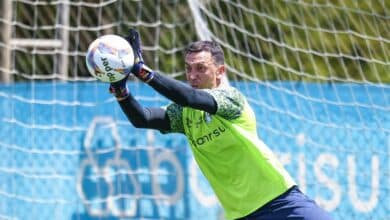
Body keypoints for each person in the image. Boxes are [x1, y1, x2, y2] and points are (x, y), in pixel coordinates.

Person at [109, 29, 333, 220]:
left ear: (220, 71)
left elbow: (191, 98)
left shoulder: (230, 98)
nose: (192, 75)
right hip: (240, 215)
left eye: (201, 68)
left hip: (280, 201)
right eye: (188, 69)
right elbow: (143, 119)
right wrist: (121, 90)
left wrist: (142, 70)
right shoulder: (185, 114)